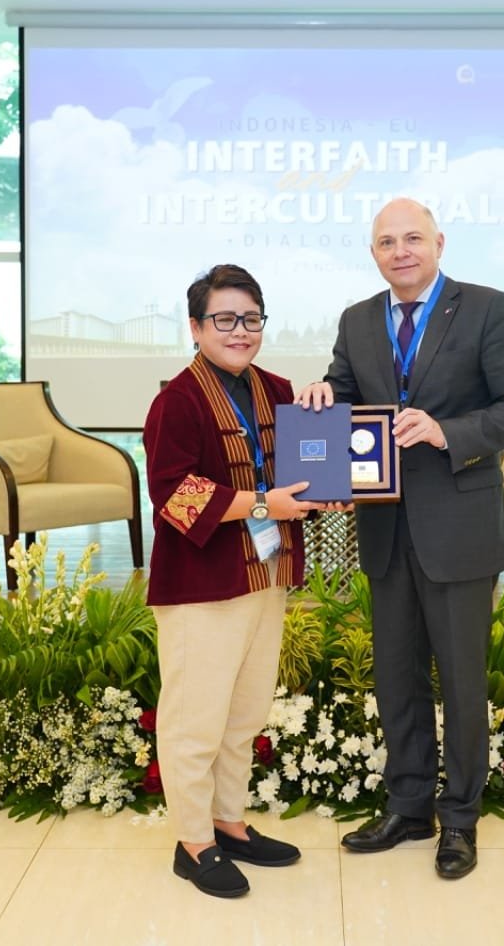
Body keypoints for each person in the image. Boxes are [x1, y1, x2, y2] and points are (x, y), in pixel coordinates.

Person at [296, 198, 504, 880]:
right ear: (373, 253)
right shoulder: (357, 320)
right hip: (384, 526)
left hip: (459, 527)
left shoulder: (486, 307)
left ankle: (459, 820)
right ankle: (408, 806)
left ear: (438, 242)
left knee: (461, 683)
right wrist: (322, 395)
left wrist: (447, 432)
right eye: (385, 241)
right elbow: (346, 399)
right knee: (396, 678)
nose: (400, 250)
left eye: (412, 238)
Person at [144, 263, 321, 899]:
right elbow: (173, 496)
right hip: (201, 587)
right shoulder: (178, 401)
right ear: (196, 327)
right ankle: (193, 844)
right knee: (196, 719)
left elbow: (308, 461)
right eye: (224, 319)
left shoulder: (276, 388)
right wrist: (260, 504)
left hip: (264, 575)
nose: (239, 331)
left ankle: (229, 823)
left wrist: (325, 477)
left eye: (251, 319)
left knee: (243, 713)